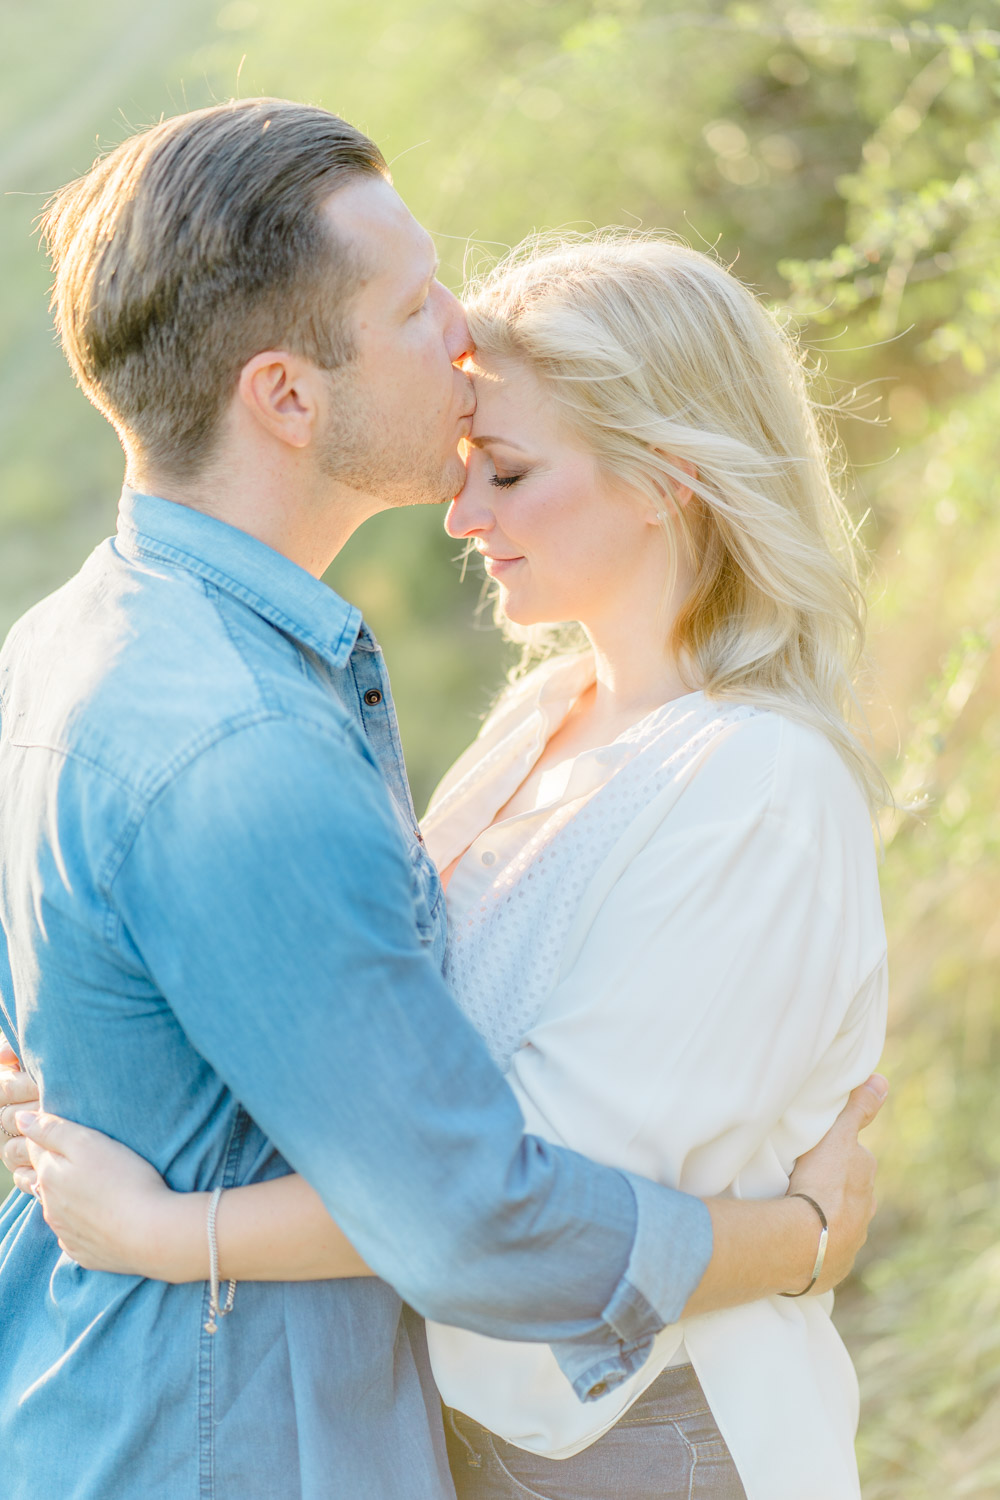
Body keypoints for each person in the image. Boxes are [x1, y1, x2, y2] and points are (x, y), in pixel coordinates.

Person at [0, 194, 888, 1500]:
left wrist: (170, 1230)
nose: (463, 511)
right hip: (475, 1431)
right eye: (472, 458)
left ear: (669, 476)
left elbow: (507, 1194)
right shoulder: (544, 714)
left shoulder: (760, 786)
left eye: (508, 471)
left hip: (643, 1441)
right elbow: (380, 1059)